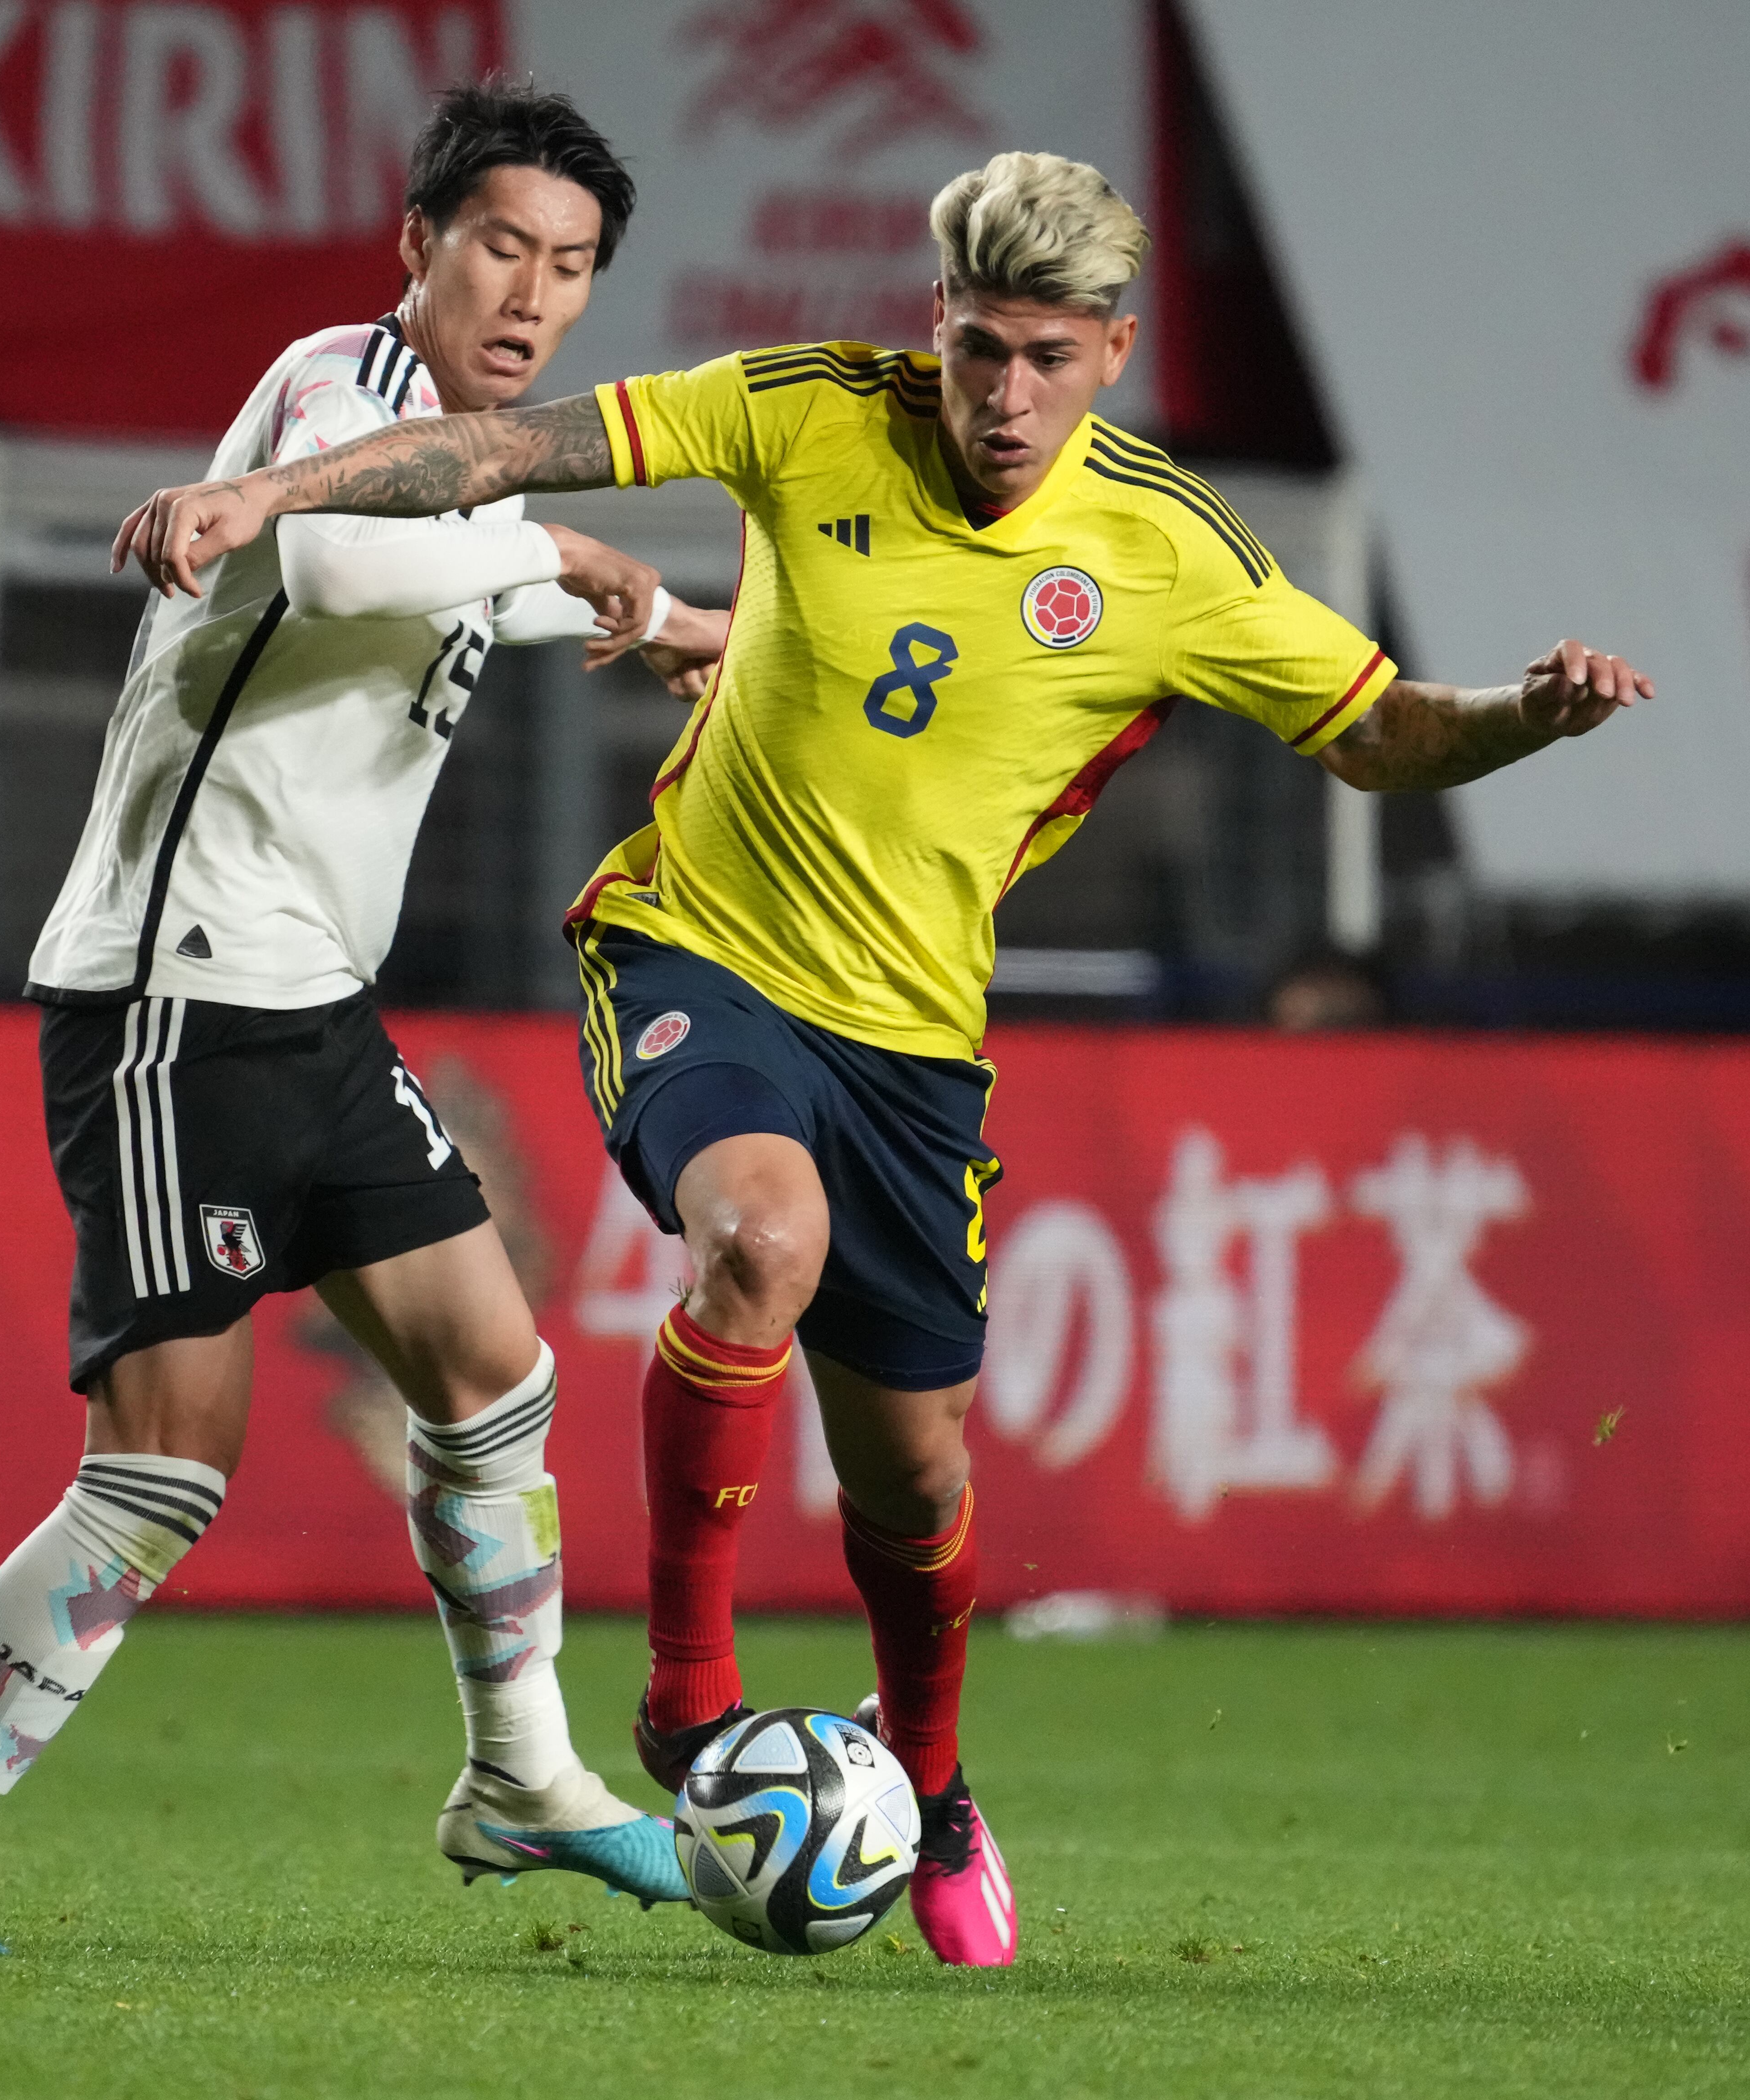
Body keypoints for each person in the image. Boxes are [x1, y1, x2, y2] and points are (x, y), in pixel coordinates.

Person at [112, 150, 1653, 1968]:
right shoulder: (810, 408)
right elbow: (505, 451)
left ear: (1113, 354)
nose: (1003, 395)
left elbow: (1381, 734)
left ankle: (929, 1778)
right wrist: (268, 489)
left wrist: (1526, 717)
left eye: (1048, 359)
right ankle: (689, 1699)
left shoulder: (1169, 550)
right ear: (936, 324)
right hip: (694, 947)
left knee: (915, 1483)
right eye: (977, 348)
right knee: (758, 1242)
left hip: (915, 1045)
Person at [0, 81, 703, 1958]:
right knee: (163, 1468)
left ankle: (522, 1777)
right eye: (500, 246)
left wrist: (677, 623)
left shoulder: (481, 476)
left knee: (492, 1371)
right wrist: (567, 557)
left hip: (309, 998)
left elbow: (461, 593)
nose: (531, 295)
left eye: (569, 266)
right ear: (418, 245)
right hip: (175, 990)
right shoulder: (343, 382)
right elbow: (339, 561)